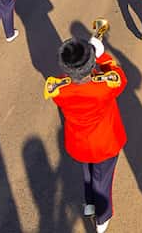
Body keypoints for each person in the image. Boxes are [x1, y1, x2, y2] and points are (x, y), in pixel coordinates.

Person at [46, 32, 126, 233]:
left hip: (79, 142)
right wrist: (101, 56)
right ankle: (103, 216)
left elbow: (67, 80)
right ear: (90, 66)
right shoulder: (104, 86)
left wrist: (88, 61)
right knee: (102, 179)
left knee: (88, 174)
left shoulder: (58, 89)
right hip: (104, 143)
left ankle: (90, 204)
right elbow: (120, 78)